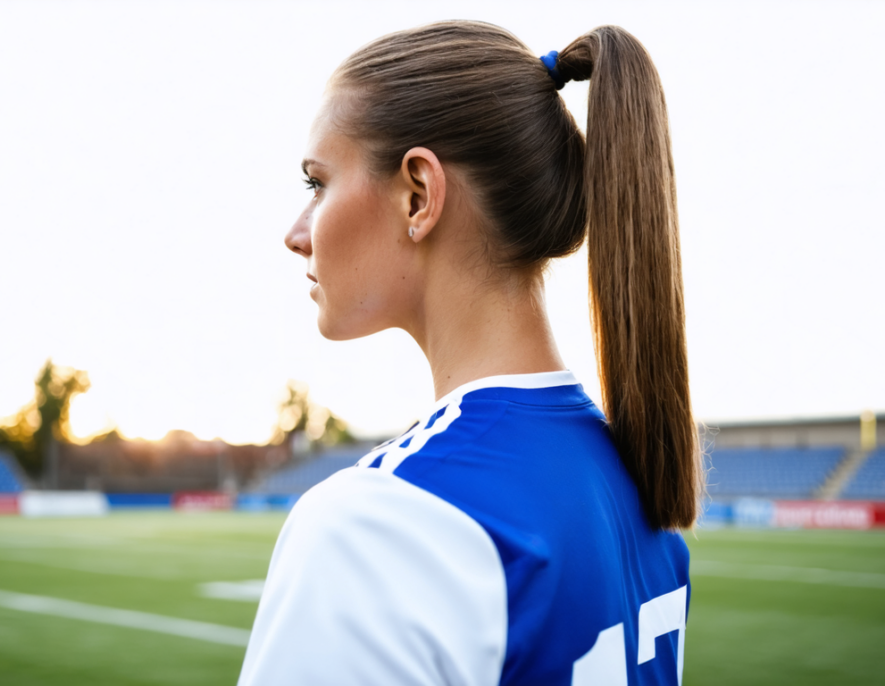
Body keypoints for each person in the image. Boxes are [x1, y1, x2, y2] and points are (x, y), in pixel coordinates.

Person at [239, 20, 701, 686]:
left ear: (418, 196)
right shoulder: (636, 484)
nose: (296, 234)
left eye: (317, 184)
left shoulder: (375, 529)